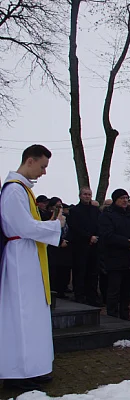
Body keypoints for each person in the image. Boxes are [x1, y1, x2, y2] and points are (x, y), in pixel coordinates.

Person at [0, 144, 64, 391]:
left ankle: (32, 367)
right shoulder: (14, 190)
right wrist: (55, 225)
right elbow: (23, 227)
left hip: (28, 256)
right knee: (21, 315)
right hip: (19, 258)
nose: (44, 172)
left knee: (32, 315)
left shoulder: (23, 190)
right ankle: (17, 372)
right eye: (43, 166)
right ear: (30, 161)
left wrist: (48, 225)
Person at [98, 189, 130, 321]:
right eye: (122, 198)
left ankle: (125, 315)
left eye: (126, 198)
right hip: (115, 259)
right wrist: (127, 243)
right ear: (115, 199)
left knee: (127, 291)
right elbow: (107, 235)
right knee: (114, 291)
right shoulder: (107, 215)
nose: (124, 201)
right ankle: (112, 316)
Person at [68, 186, 102, 306]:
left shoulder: (95, 211)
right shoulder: (74, 211)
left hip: (94, 246)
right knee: (80, 272)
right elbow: (75, 228)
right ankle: (80, 296)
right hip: (80, 246)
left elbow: (100, 225)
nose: (87, 196)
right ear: (80, 195)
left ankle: (92, 297)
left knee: (93, 273)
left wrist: (96, 236)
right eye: (85, 194)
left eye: (89, 194)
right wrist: (88, 237)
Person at [46, 197, 72, 300]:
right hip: (53, 248)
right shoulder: (48, 217)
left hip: (65, 248)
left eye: (60, 206)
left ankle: (61, 291)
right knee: (53, 272)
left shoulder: (65, 217)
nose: (60, 208)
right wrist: (60, 241)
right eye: (57, 206)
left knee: (63, 272)